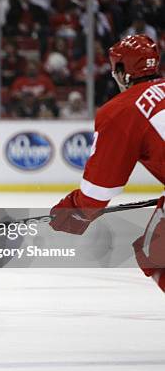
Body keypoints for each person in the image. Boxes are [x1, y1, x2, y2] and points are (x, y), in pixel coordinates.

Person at [49, 34, 164, 293]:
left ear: (123, 71)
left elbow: (99, 191)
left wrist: (73, 212)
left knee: (156, 255)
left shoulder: (123, 110)